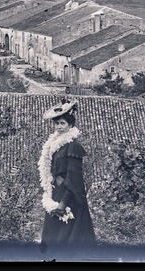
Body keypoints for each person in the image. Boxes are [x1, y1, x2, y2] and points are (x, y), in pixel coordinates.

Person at [38, 99, 96, 252]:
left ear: (70, 125)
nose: (59, 127)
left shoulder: (73, 146)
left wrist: (64, 203)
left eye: (62, 123)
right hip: (55, 192)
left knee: (65, 237)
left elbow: (73, 176)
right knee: (52, 235)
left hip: (68, 195)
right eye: (57, 124)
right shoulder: (54, 144)